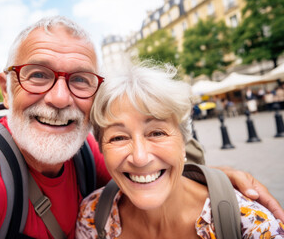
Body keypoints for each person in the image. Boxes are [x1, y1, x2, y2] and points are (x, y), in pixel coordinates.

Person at [0, 16, 283, 239]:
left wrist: (214, 180)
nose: (60, 97)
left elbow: (148, 166)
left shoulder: (91, 153)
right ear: (6, 88)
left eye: (79, 80)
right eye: (38, 75)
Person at [76, 61, 284, 238]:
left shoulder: (253, 225)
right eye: (119, 137)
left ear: (184, 142)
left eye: (157, 133)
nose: (140, 158)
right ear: (101, 148)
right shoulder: (92, 216)